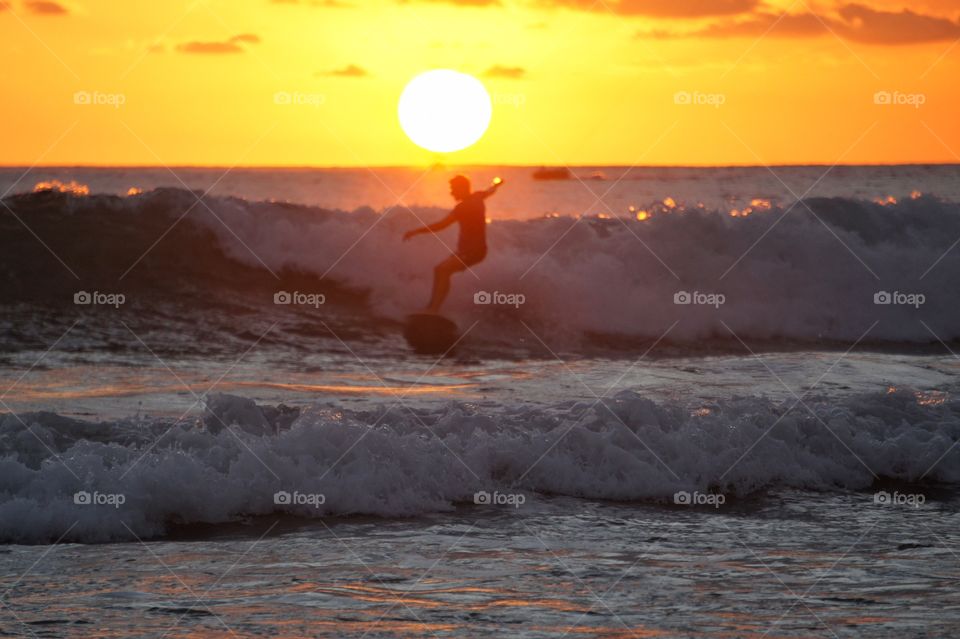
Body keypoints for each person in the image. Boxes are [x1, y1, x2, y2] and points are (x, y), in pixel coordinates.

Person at [403, 175, 503, 314]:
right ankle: (432, 308)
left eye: (453, 189)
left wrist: (416, 231)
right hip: (475, 251)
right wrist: (496, 183)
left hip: (471, 252)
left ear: (462, 188)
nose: (451, 193)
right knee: (441, 271)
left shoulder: (463, 207)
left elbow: (441, 225)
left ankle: (433, 309)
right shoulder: (478, 197)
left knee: (441, 271)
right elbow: (490, 190)